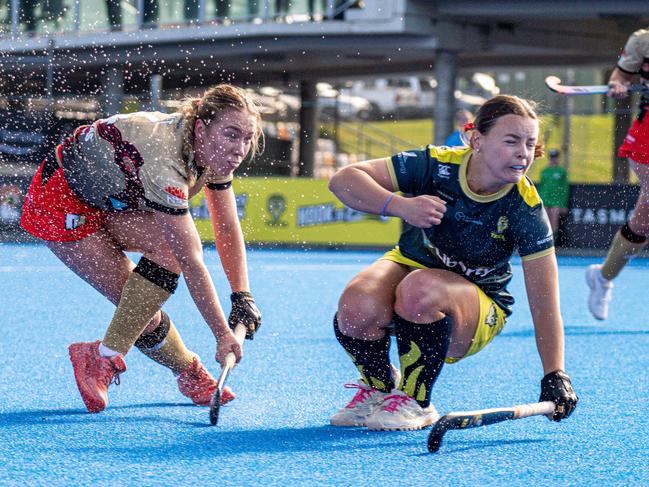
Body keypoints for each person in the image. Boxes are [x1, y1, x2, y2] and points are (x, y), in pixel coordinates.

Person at [328, 95, 578, 431]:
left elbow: (545, 304)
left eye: (530, 143)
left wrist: (555, 373)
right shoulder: (436, 165)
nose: (524, 153)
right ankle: (378, 388)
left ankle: (416, 401)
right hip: (410, 265)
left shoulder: (526, 208)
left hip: (477, 305)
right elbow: (342, 180)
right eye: (511, 141)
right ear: (477, 140)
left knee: (420, 290)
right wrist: (399, 206)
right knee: (356, 306)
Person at [20, 84, 263, 413]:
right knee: (139, 311)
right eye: (232, 135)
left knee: (139, 305)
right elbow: (192, 262)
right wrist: (222, 334)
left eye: (247, 139)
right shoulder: (166, 162)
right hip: (61, 202)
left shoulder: (211, 152)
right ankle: (168, 366)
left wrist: (242, 295)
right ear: (202, 128)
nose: (240, 149)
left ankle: (125, 359)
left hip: (113, 197)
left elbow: (226, 226)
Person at [586, 27, 649, 321]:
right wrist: (618, 85)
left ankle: (603, 276)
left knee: (642, 222)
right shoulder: (642, 40)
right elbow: (620, 76)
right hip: (647, 132)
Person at [537, 149, 569, 240]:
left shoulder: (561, 171)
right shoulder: (544, 171)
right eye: (552, 157)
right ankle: (545, 241)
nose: (553, 159)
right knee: (544, 221)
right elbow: (541, 187)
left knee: (554, 221)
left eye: (555, 157)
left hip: (556, 200)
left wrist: (564, 204)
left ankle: (553, 242)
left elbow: (565, 188)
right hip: (545, 199)